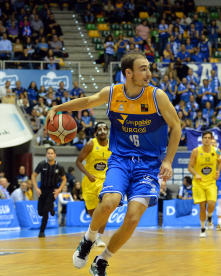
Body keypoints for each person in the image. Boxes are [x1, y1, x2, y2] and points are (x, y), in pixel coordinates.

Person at [45, 52, 180, 275]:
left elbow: (176, 127)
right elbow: (88, 101)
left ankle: (102, 260)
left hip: (148, 164)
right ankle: (88, 240)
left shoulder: (158, 96)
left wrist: (168, 160)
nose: (149, 73)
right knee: (109, 203)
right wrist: (57, 108)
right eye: (143, 69)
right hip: (121, 159)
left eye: (148, 68)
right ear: (129, 73)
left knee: (133, 218)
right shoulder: (113, 93)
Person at [75, 122, 112, 247]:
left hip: (105, 182)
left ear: (107, 131)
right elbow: (78, 162)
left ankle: (99, 238)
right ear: (96, 132)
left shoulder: (112, 145)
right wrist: (88, 174)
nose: (102, 131)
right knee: (93, 213)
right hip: (90, 182)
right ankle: (93, 235)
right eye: (100, 129)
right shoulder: (90, 144)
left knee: (105, 209)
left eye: (105, 129)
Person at [188, 130, 221, 238]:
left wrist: (218, 171)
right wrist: (196, 173)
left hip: (211, 182)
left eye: (209, 138)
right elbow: (190, 167)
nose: (207, 139)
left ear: (211, 139)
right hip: (199, 183)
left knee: (211, 204)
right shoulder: (196, 151)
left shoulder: (217, 151)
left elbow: (220, 161)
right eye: (205, 138)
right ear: (202, 139)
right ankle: (203, 229)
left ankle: (210, 217)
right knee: (202, 206)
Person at [31, 147, 67, 238]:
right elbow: (33, 176)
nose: (50, 155)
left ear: (55, 155)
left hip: (53, 190)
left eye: (51, 153)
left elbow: (64, 179)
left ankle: (42, 231)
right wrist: (36, 188)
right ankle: (51, 207)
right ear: (46, 154)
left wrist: (59, 190)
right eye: (48, 153)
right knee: (40, 212)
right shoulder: (41, 164)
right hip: (43, 189)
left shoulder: (59, 167)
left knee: (45, 210)